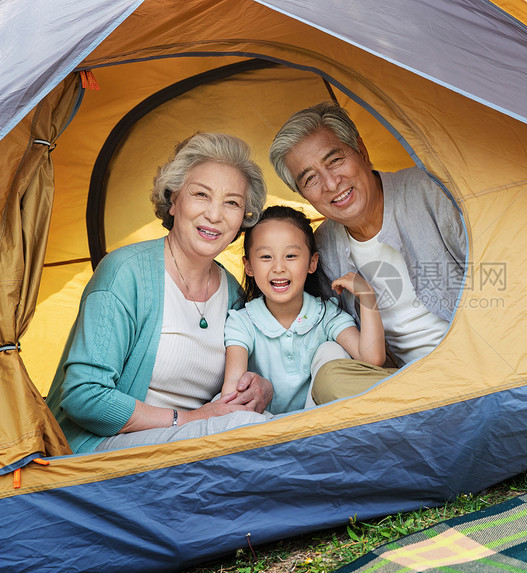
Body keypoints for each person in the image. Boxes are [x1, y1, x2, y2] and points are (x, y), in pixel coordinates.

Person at [47, 132, 272, 453]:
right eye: (201, 194)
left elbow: (243, 386)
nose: (215, 214)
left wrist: (262, 387)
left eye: (232, 203)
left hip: (197, 445)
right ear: (173, 200)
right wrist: (190, 419)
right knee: (246, 433)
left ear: (243, 220)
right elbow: (84, 396)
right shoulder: (126, 272)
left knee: (281, 427)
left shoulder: (234, 293)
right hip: (102, 450)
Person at [269, 102, 467, 404]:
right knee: (331, 374)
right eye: (310, 179)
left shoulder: (430, 191)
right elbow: (309, 324)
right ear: (301, 194)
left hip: (477, 364)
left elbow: (502, 284)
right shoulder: (322, 249)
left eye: (334, 160)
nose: (331, 184)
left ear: (361, 150)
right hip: (404, 386)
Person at [222, 206, 386, 413]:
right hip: (262, 427)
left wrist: (367, 296)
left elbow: (372, 359)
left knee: (332, 350)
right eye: (266, 257)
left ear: (312, 262)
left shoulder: (325, 315)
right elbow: (232, 391)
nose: (278, 267)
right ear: (249, 266)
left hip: (316, 425)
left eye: (290, 256)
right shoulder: (242, 322)